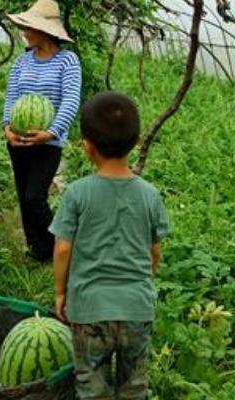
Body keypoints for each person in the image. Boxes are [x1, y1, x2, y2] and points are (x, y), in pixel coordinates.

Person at [49, 92, 170, 399]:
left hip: (90, 309)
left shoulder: (77, 193)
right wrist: (146, 277)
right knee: (134, 385)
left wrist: (61, 292)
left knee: (92, 383)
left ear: (87, 145)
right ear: (137, 139)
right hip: (136, 308)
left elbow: (63, 249)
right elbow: (154, 251)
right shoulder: (149, 194)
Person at [3, 0, 82, 263]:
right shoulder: (22, 62)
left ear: (44, 30)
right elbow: (11, 97)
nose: (24, 32)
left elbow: (70, 100)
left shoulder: (67, 61)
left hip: (48, 143)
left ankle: (60, 248)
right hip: (18, 140)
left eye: (29, 27)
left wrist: (51, 133)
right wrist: (7, 129)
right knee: (23, 198)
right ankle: (37, 249)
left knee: (35, 197)